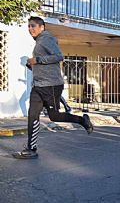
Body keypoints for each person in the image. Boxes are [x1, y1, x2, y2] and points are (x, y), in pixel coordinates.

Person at [13, 16, 94, 159]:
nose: (30, 29)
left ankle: (83, 121)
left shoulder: (46, 38)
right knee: (33, 115)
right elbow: (46, 65)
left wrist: (37, 60)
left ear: (42, 27)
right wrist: (32, 65)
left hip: (51, 85)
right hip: (38, 85)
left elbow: (58, 56)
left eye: (33, 26)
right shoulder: (39, 41)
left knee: (54, 116)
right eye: (29, 26)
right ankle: (31, 149)